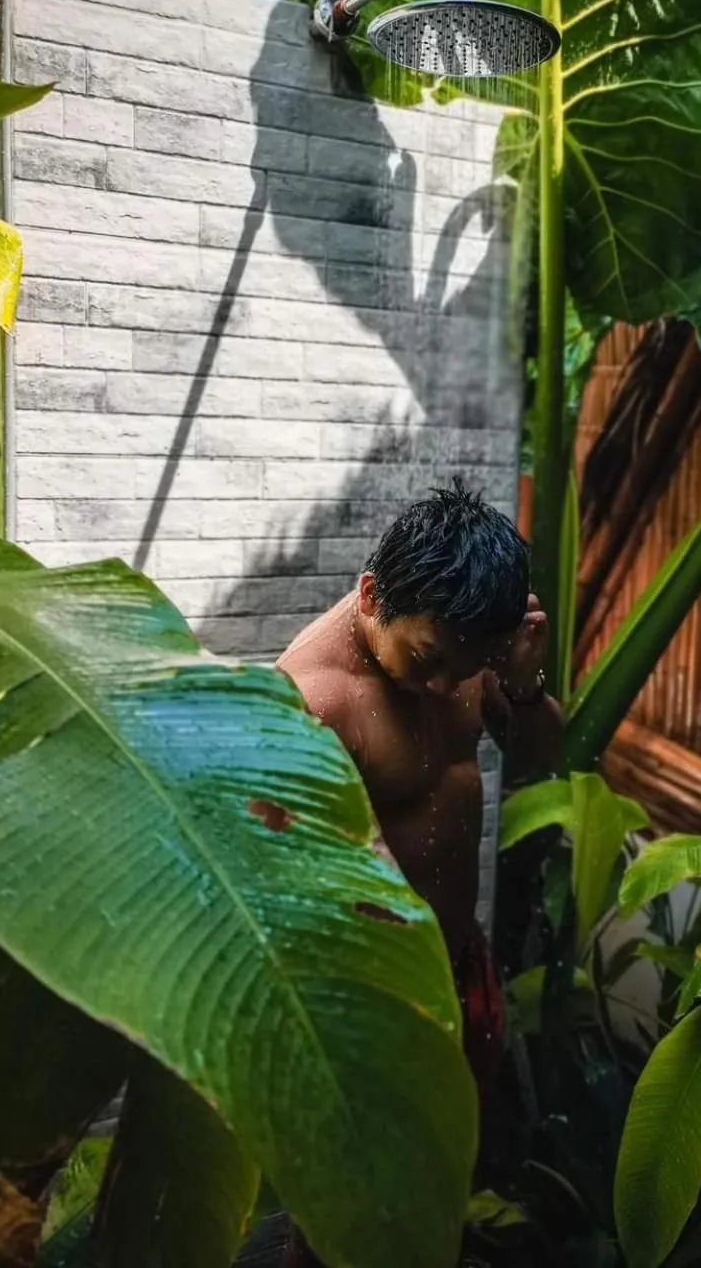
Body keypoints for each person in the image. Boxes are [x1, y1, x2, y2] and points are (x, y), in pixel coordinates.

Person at [268, 479, 563, 1267]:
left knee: (439, 1174)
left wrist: (524, 683)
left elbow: (541, 758)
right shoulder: (313, 698)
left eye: (462, 670)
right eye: (428, 662)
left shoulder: (460, 643)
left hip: (457, 960)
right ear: (371, 594)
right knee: (342, 1201)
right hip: (370, 988)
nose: (443, 688)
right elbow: (315, 873)